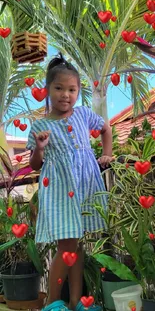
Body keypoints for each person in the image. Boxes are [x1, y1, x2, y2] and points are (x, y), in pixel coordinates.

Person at [27, 52, 113, 311]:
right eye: (59, 88)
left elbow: (106, 128)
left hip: (84, 183)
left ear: (78, 91)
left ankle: (76, 302)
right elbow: (35, 165)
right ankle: (53, 302)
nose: (66, 94)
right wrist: (40, 148)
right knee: (67, 245)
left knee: (75, 245)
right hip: (60, 190)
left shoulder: (84, 114)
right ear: (48, 89)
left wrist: (106, 153)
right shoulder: (40, 126)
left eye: (72, 89)